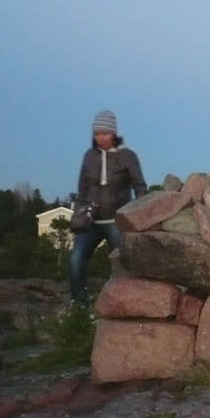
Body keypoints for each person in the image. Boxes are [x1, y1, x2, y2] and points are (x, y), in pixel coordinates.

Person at [69, 110, 147, 304]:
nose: (100, 137)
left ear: (113, 134)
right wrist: (80, 210)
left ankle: (126, 304)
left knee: (123, 265)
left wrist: (140, 215)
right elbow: (83, 186)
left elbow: (139, 186)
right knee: (75, 262)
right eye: (97, 133)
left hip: (116, 220)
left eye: (104, 133)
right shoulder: (89, 156)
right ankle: (80, 307)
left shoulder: (127, 156)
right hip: (91, 221)